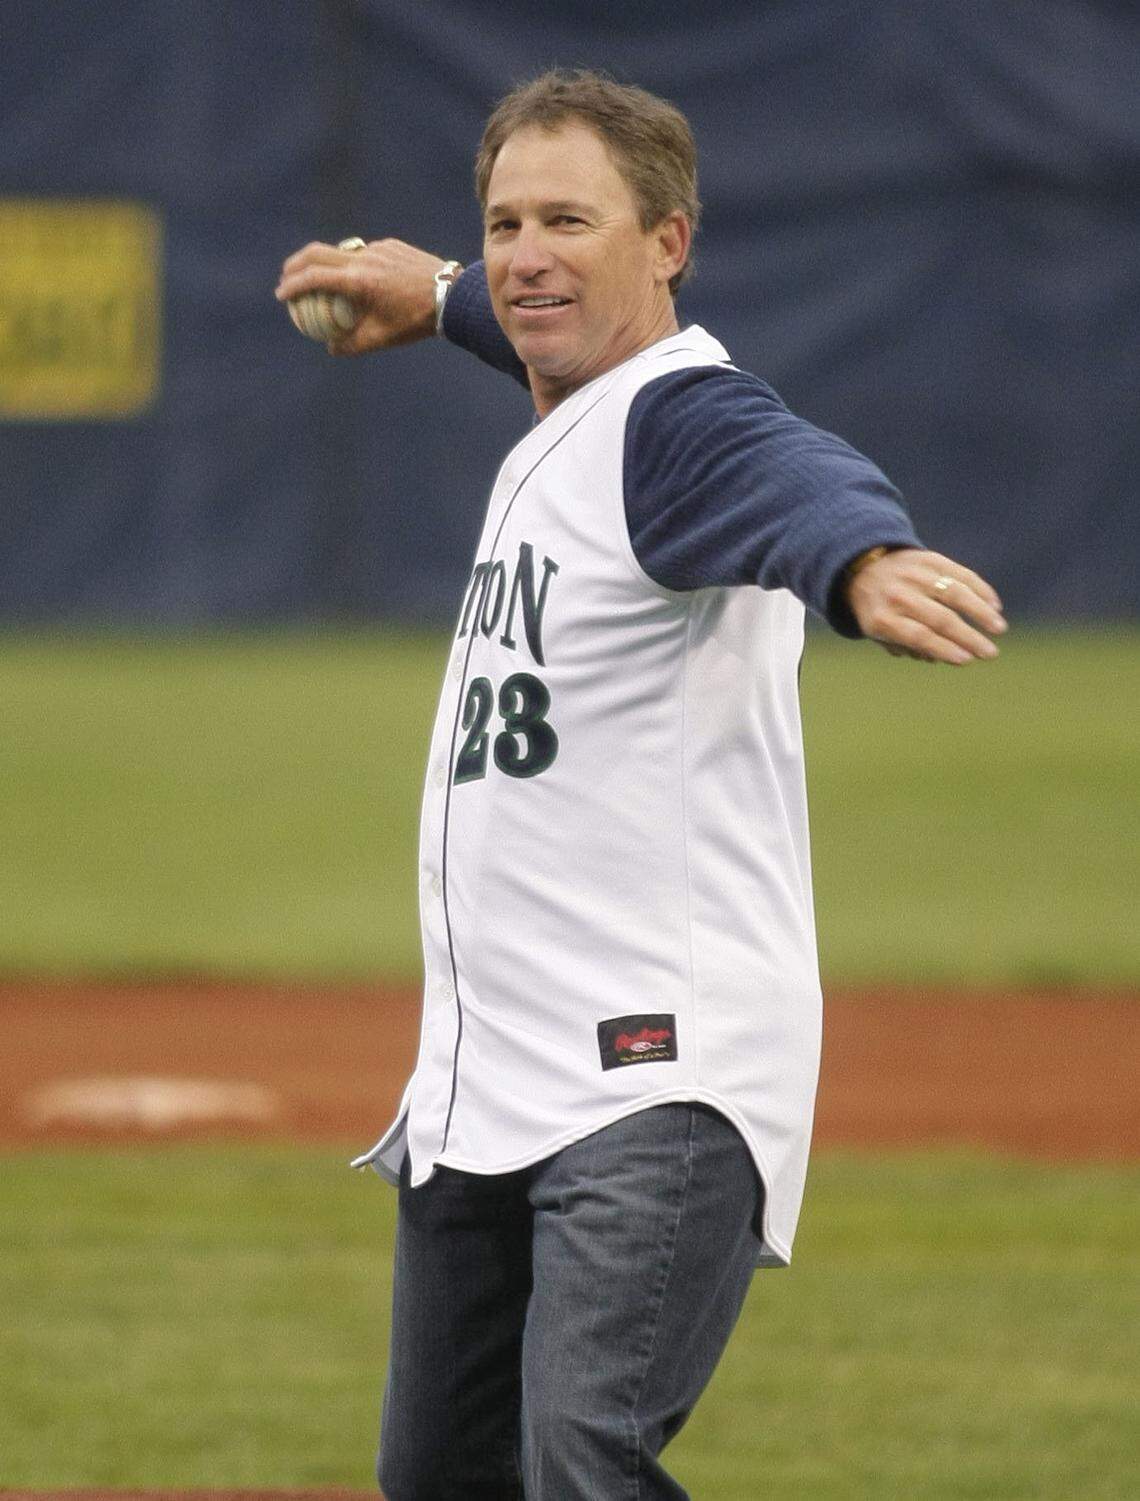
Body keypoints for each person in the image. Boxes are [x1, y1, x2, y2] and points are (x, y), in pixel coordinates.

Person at [276, 69, 1006, 1501]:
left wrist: (860, 560)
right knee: (440, 1473)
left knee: (581, 1455)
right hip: (490, 1079)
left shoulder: (678, 424)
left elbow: (784, 470)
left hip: (650, 1077)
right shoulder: (581, 404)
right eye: (503, 221)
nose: (527, 253)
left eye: (571, 220)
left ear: (669, 244)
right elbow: (530, 313)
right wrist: (433, 293)